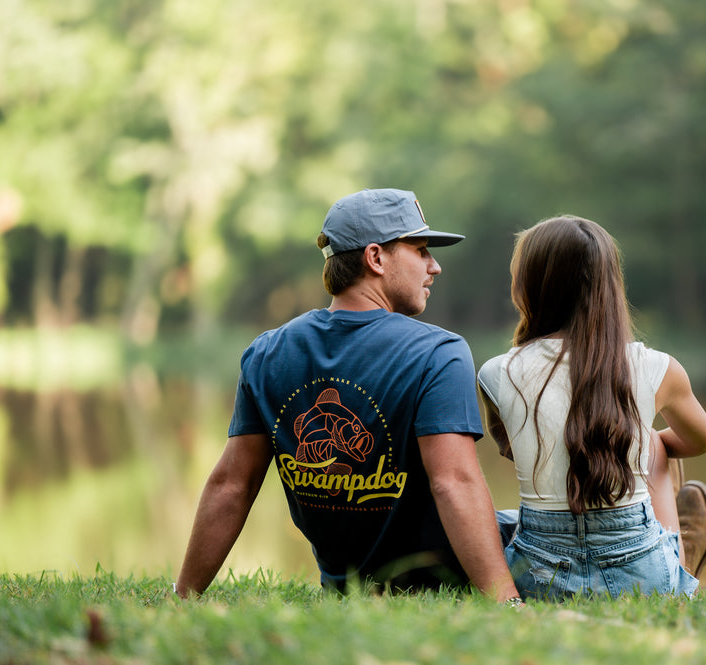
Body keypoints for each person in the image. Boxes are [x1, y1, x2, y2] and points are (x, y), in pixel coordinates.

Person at [175, 188, 520, 604]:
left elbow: (232, 484)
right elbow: (454, 482)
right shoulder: (438, 353)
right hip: (437, 581)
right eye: (421, 250)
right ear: (376, 258)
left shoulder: (267, 352)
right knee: (542, 523)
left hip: (344, 585)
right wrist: (507, 603)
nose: (435, 267)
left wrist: (182, 595)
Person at [477, 215, 706, 600]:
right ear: (610, 287)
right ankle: (680, 561)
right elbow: (704, 440)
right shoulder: (658, 368)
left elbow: (512, 450)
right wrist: (640, 439)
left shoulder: (495, 374)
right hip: (643, 579)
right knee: (653, 445)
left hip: (539, 580)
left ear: (527, 289)